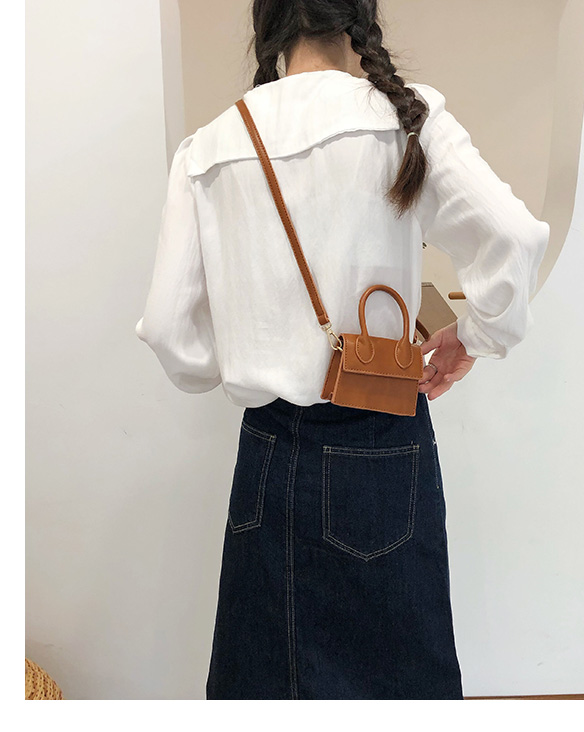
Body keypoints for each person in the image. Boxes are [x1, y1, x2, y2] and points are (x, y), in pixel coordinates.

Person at [135, 0, 550, 700]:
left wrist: (249, 350)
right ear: (359, 16)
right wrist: (475, 336)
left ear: (267, 23)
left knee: (269, 682)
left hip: (267, 451)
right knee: (396, 682)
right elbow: (513, 237)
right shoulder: (407, 119)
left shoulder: (210, 148)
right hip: (382, 441)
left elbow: (170, 331)